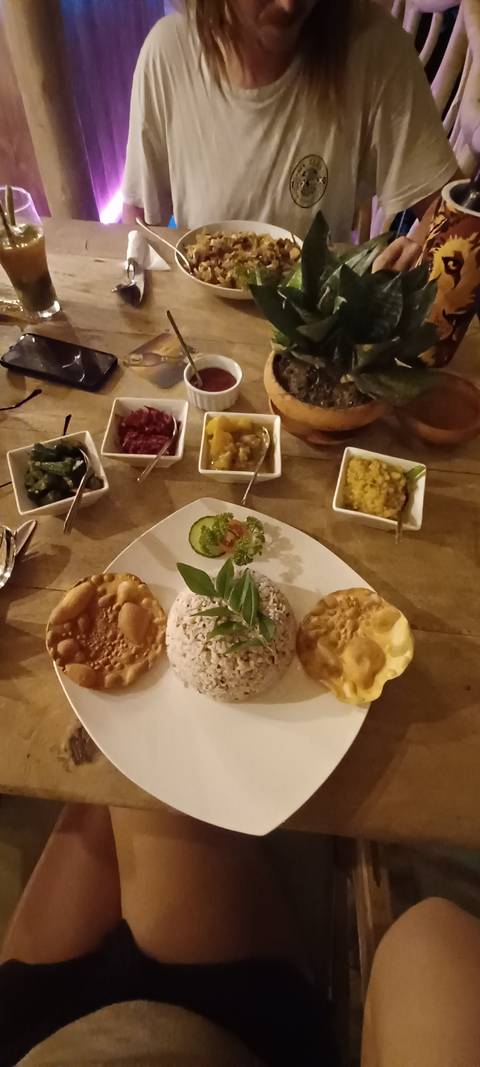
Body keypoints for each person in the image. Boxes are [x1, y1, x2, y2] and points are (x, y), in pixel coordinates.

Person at [1, 806, 480, 1066]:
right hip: (231, 1027)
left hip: (44, 1039)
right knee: (154, 758)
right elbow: (434, 948)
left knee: (106, 769)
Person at [122, 0, 461, 272]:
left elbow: (453, 208)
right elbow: (139, 216)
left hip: (318, 325)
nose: (289, 6)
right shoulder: (167, 51)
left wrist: (421, 246)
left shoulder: (373, 45)